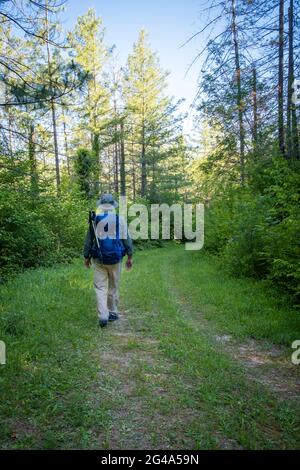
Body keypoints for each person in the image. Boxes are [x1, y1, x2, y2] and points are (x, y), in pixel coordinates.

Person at [83, 194, 133, 328]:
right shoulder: (119, 219)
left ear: (101, 205)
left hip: (99, 259)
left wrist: (86, 256)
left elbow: (89, 240)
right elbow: (126, 239)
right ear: (113, 206)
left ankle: (103, 315)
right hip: (116, 259)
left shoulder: (95, 220)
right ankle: (112, 312)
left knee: (100, 287)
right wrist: (130, 256)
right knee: (113, 286)